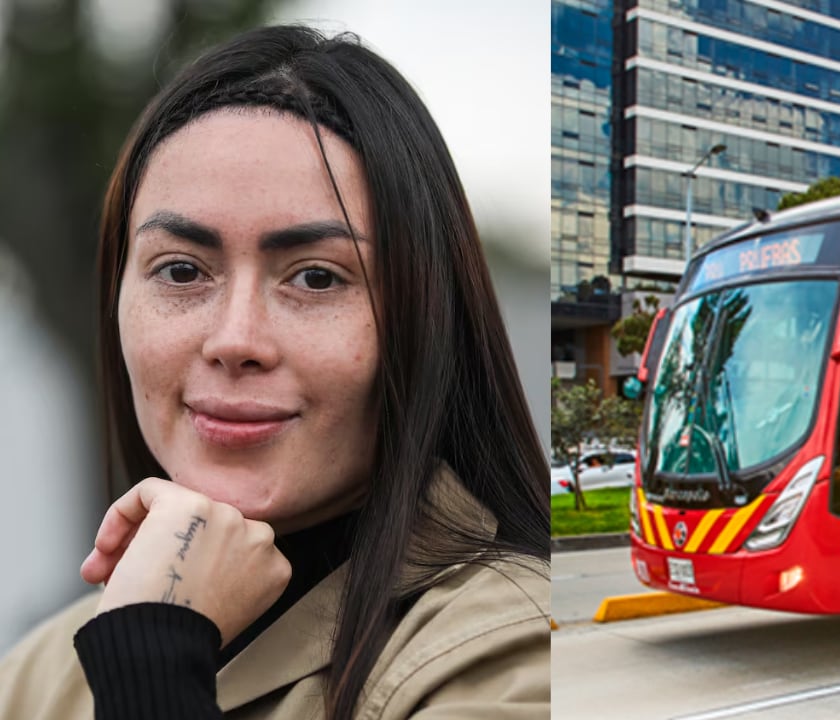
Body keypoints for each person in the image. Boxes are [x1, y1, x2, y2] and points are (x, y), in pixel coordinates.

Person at [0, 25, 550, 719]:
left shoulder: (509, 654)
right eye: (181, 271)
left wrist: (152, 661)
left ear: (425, 319)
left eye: (316, 278)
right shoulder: (40, 677)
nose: (235, 341)